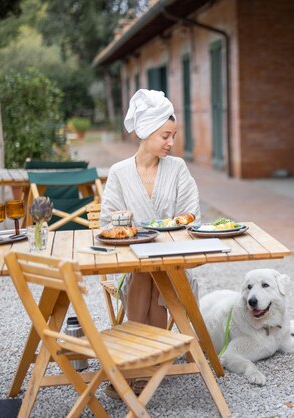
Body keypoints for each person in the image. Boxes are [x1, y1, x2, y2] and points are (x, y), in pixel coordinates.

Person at [100, 88, 201, 329]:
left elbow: (192, 217)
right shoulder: (119, 172)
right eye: (165, 136)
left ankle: (142, 345)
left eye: (173, 135)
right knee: (145, 269)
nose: (171, 143)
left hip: (173, 263)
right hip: (133, 265)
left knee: (155, 269)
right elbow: (108, 223)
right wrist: (123, 224)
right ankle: (155, 349)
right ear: (145, 131)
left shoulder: (177, 168)